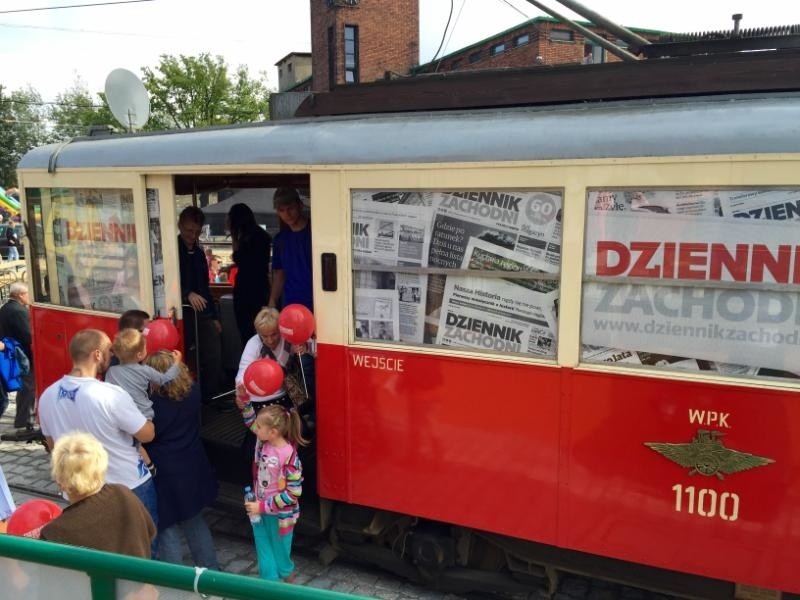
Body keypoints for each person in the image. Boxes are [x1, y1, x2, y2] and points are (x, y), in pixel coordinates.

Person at [37, 329, 158, 530]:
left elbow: (54, 448)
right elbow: (147, 435)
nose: (112, 355)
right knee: (142, 551)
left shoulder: (47, 397)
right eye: (109, 351)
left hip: (81, 491)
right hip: (128, 485)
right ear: (97, 355)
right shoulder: (110, 395)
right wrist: (148, 417)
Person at [143, 351, 220, 570]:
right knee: (194, 519)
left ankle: (174, 579)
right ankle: (211, 571)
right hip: (192, 465)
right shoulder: (193, 392)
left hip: (165, 473)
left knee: (167, 527)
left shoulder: (153, 407)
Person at [40, 432, 155, 559]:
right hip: (140, 577)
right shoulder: (123, 494)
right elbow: (150, 532)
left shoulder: (53, 533)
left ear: (60, 481)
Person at [237, 403, 306, 582]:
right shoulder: (263, 442)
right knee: (265, 557)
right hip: (260, 514)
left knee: (282, 561)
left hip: (280, 518)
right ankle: (271, 587)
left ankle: (291, 592)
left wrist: (261, 506)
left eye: (260, 427)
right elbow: (251, 422)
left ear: (273, 432)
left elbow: (293, 493)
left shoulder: (289, 457)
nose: (255, 429)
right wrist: (244, 403)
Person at [105, 328, 183, 475]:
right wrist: (177, 363)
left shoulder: (111, 372)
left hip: (122, 414)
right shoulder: (145, 370)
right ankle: (148, 466)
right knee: (135, 443)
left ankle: (147, 465)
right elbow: (164, 379)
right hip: (143, 415)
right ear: (140, 354)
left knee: (132, 442)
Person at [178, 206, 223, 403]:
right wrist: (187, 293)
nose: (192, 235)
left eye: (196, 232)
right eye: (188, 231)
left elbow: (204, 286)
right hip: (181, 312)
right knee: (181, 355)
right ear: (180, 226)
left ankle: (211, 397)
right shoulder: (171, 251)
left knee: (213, 352)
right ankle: (182, 398)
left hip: (202, 312)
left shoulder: (198, 252)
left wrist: (214, 317)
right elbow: (167, 281)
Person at [228, 203, 271, 345]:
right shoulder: (262, 236)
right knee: (263, 330)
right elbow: (256, 263)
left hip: (245, 290)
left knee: (246, 332)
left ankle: (250, 362)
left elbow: (240, 258)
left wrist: (235, 239)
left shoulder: (244, 239)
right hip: (261, 287)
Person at [0, 282, 37, 440]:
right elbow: (28, 336)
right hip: (22, 356)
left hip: (13, 354)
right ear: (21, 295)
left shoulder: (6, 308)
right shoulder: (19, 311)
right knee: (28, 388)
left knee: (25, 388)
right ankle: (24, 422)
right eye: (28, 293)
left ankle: (23, 420)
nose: (30, 297)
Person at [268, 188, 312, 312]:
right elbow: (279, 274)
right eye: (282, 210)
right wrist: (272, 303)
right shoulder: (280, 240)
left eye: (290, 208)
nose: (287, 214)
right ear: (277, 212)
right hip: (291, 303)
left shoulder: (315, 233)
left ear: (300, 206)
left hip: (319, 300)